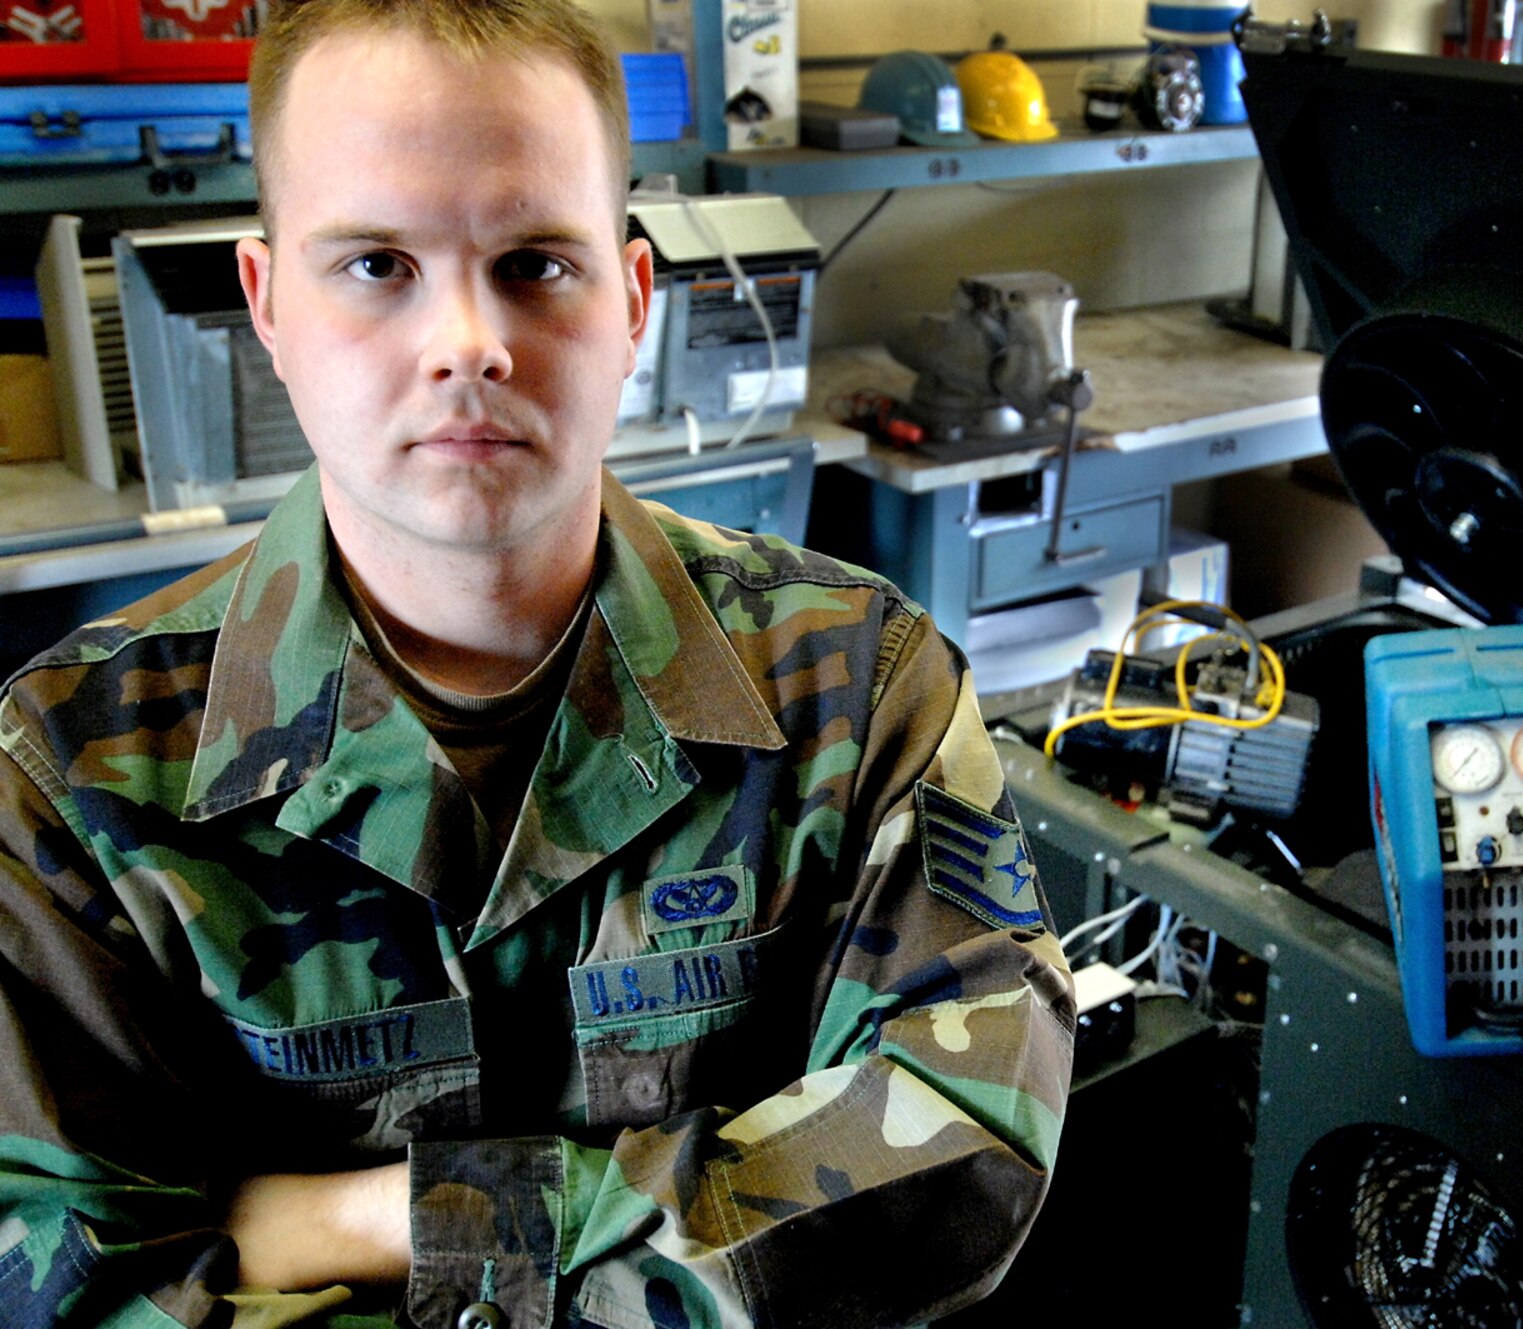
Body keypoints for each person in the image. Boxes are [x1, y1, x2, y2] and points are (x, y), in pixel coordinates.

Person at [0, 2, 1075, 1325]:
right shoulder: (71, 776)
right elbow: (65, 1283)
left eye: (533, 263)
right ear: (267, 305)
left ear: (630, 302)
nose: (470, 340)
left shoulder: (859, 689)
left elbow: (954, 1154)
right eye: (378, 264)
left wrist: (395, 1218)